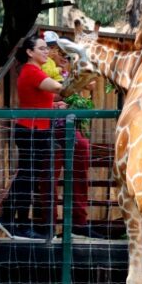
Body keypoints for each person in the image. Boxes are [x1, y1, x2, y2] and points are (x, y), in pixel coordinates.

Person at [0, 34, 63, 240]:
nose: (46, 51)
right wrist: (78, 78)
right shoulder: (32, 71)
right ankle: (15, 220)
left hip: (37, 129)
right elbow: (59, 87)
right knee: (27, 177)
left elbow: (38, 100)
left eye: (46, 48)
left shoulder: (35, 72)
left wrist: (53, 105)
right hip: (31, 130)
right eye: (41, 48)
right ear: (30, 52)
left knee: (28, 177)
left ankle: (18, 221)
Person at [38, 31, 104, 238]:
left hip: (65, 125)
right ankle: (48, 225)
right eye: (50, 48)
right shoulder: (40, 69)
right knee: (49, 175)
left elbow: (89, 84)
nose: (57, 53)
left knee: (80, 156)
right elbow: (47, 94)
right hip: (49, 126)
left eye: (58, 49)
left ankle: (78, 222)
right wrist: (61, 98)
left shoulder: (62, 70)